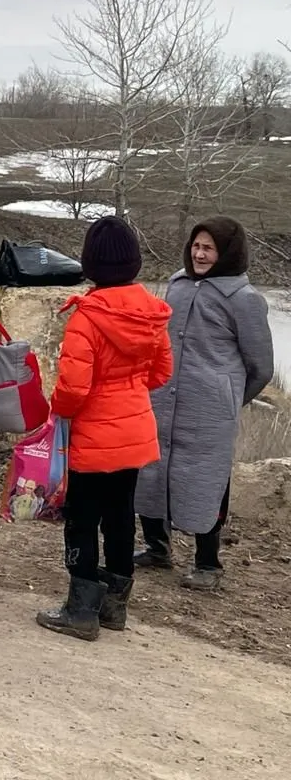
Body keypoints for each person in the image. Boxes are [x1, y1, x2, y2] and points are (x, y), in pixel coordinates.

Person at [36, 217, 174, 640]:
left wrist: (56, 409)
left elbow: (73, 391)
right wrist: (128, 388)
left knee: (81, 518)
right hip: (134, 432)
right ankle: (115, 607)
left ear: (90, 262)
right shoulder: (152, 312)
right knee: (120, 517)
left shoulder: (87, 317)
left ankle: (81, 610)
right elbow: (162, 372)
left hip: (94, 435)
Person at [134, 217, 275, 591]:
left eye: (208, 248)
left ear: (227, 253)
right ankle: (157, 547)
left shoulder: (245, 300)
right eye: (196, 246)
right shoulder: (178, 286)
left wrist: (227, 399)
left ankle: (208, 563)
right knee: (152, 472)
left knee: (206, 483)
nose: (199, 253)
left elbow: (261, 367)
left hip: (209, 413)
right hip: (163, 401)